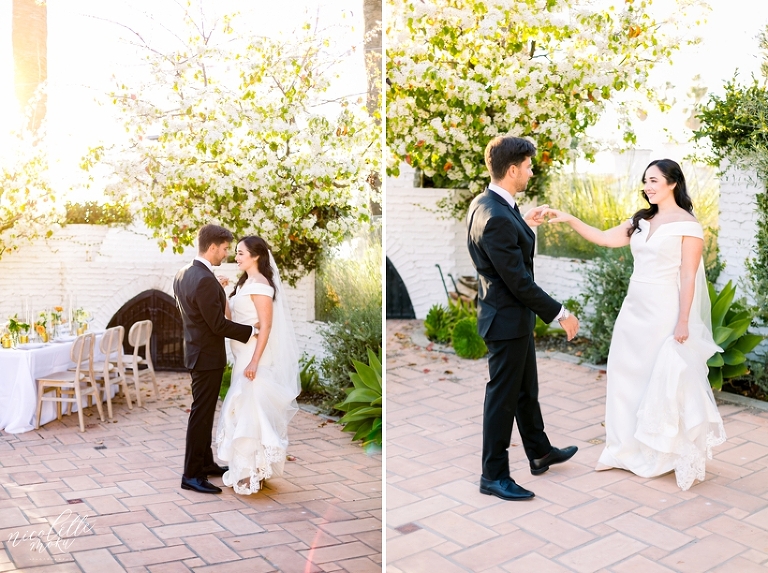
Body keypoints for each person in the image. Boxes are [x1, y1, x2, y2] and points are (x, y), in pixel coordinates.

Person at [544, 158, 726, 491]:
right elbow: (601, 238)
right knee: (622, 372)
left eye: (654, 180)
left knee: (654, 378)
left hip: (664, 310)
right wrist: (568, 218)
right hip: (634, 309)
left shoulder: (688, 225)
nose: (648, 186)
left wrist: (683, 321)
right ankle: (621, 450)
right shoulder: (641, 220)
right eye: (645, 181)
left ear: (672, 183)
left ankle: (657, 454)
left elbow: (688, 276)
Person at [466, 135, 580, 502]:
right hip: (505, 320)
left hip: (509, 319)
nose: (532, 171)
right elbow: (518, 281)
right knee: (501, 399)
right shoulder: (498, 216)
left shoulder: (489, 204)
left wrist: (527, 224)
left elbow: (506, 257)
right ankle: (493, 475)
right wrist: (560, 313)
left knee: (525, 390)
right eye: (529, 166)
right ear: (513, 169)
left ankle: (540, 451)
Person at [173, 224, 256, 494]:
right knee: (201, 416)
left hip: (196, 353)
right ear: (211, 247)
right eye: (223, 249)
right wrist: (251, 331)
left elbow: (196, 312)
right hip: (207, 357)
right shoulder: (204, 279)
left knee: (204, 414)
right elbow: (218, 325)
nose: (226, 254)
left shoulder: (184, 273)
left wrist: (218, 291)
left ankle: (205, 462)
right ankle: (192, 475)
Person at [215, 235, 300, 495]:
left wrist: (254, 361)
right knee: (243, 411)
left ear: (256, 256)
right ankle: (249, 470)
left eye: (241, 253)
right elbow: (234, 321)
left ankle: (251, 473)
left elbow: (267, 326)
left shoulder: (261, 285)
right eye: (237, 252)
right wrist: (222, 294)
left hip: (254, 356)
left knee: (251, 412)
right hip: (242, 355)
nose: (236, 257)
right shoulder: (245, 283)